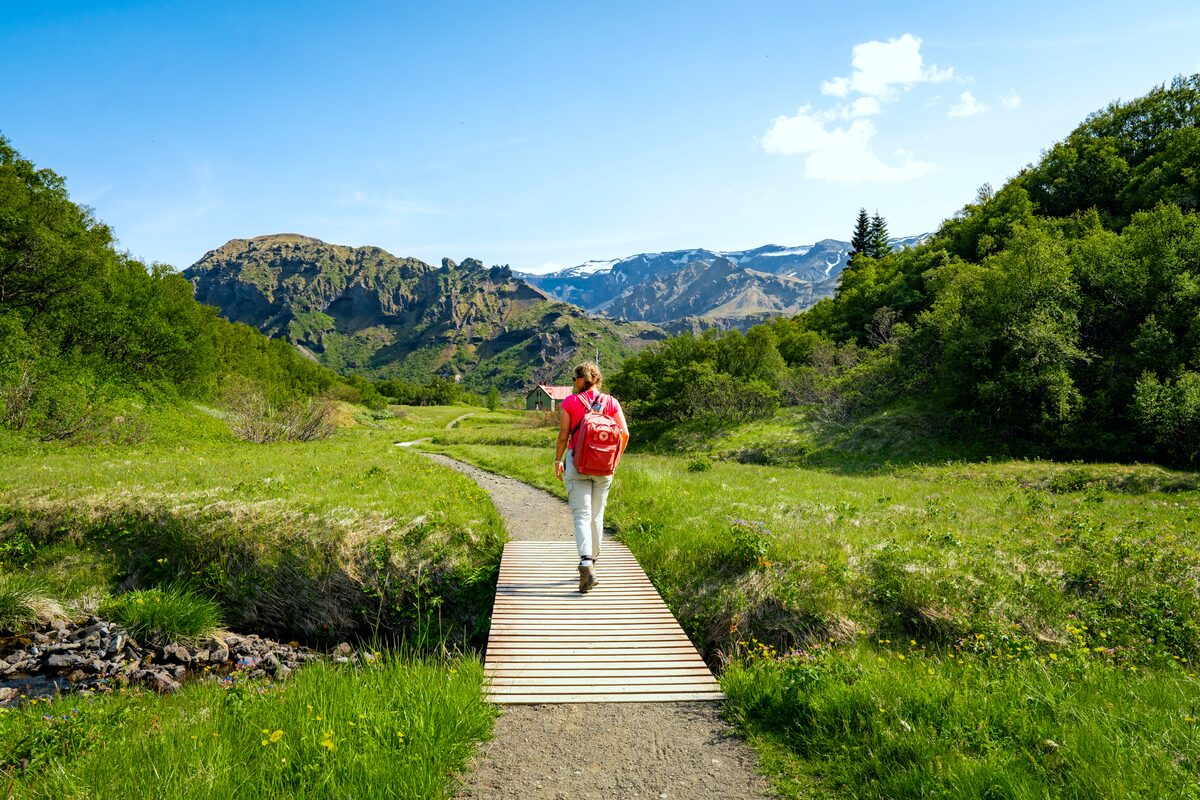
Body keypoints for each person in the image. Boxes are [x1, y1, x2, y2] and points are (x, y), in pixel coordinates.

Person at [555, 362, 629, 593]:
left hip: (577, 464)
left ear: (582, 379)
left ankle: (586, 564)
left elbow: (564, 435)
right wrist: (614, 461)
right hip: (605, 467)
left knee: (582, 515)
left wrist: (558, 460)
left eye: (574, 379)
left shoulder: (571, 402)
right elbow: (624, 433)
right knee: (597, 515)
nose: (573, 383)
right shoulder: (611, 402)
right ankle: (593, 562)